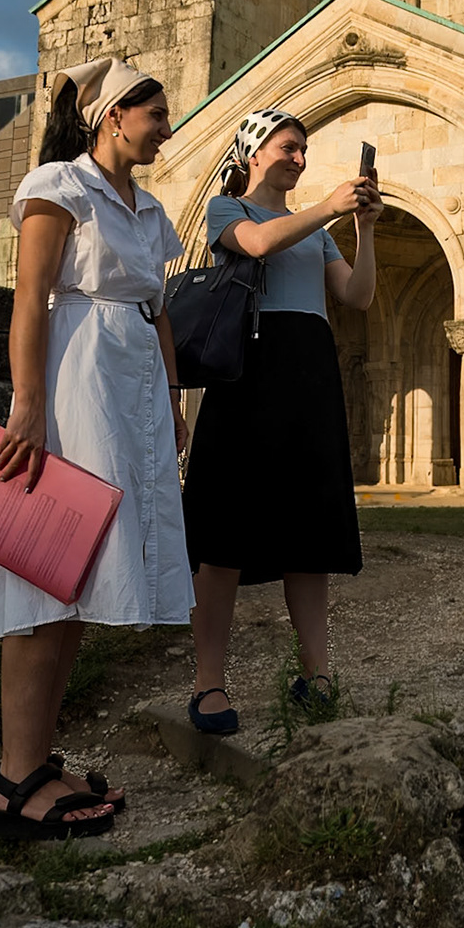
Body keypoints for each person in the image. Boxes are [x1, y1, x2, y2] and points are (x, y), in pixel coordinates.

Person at [0, 57, 193, 839]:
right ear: (113, 117)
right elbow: (30, 297)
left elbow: (159, 309)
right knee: (46, 567)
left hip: (131, 389)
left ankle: (36, 764)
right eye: (157, 114)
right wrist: (29, 405)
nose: (166, 128)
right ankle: (13, 783)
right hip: (76, 385)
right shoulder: (58, 187)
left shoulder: (148, 208)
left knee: (80, 569)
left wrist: (174, 399)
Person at [179, 107, 379, 733]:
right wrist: (326, 204)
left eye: (303, 150)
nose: (298, 157)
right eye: (289, 147)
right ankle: (209, 683)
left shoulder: (318, 230)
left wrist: (364, 228)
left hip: (308, 373)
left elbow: (357, 296)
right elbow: (260, 245)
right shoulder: (227, 210)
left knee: (309, 530)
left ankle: (316, 674)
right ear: (254, 152)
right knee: (224, 532)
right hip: (250, 373)